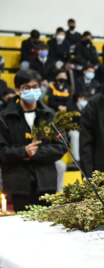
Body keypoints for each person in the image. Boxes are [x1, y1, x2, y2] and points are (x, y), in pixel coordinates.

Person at [0, 69, 64, 212]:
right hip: (19, 185)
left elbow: (61, 146)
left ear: (40, 88)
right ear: (17, 90)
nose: (32, 90)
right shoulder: (4, 117)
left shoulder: (51, 115)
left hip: (46, 183)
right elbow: (1, 151)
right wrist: (23, 152)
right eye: (26, 88)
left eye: (35, 87)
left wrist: (37, 153)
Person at [67, 92, 90, 160]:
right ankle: (76, 160)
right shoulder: (71, 107)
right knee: (75, 135)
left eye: (87, 100)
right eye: (84, 99)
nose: (85, 102)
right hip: (73, 129)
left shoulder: (88, 109)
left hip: (83, 129)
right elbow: (69, 122)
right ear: (79, 99)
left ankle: (87, 158)